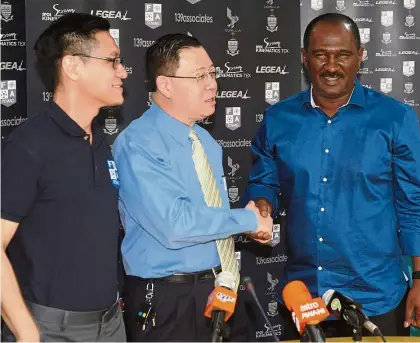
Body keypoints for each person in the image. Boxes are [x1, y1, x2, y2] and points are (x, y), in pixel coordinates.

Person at [245, 13, 420, 338]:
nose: (331, 66)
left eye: (343, 55)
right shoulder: (278, 119)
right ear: (305, 58)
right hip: (304, 298)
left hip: (376, 297)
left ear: (360, 57)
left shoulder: (394, 119)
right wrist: (262, 201)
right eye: (321, 54)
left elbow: (414, 205)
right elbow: (264, 179)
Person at [112, 33, 273, 342]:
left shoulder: (205, 142)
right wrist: (248, 220)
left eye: (212, 73)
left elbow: (209, 218)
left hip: (220, 288)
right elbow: (176, 225)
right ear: (166, 85)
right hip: (168, 300)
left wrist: (249, 226)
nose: (212, 84)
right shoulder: (138, 144)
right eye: (200, 76)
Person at [1, 13, 128, 342]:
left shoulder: (101, 142)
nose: (123, 72)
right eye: (112, 61)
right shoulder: (30, 145)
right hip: (49, 330)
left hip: (112, 323)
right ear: (73, 67)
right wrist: (26, 331)